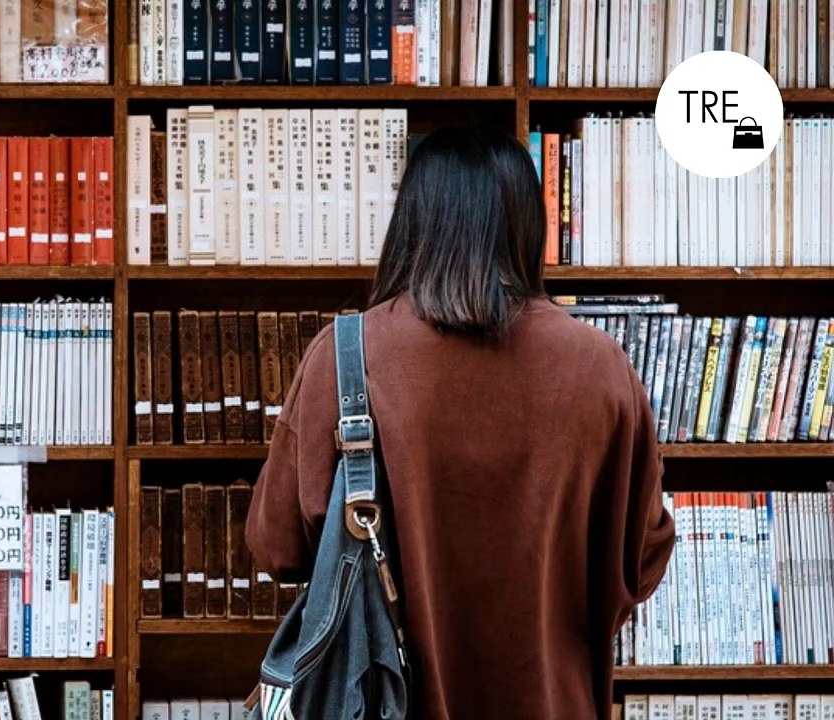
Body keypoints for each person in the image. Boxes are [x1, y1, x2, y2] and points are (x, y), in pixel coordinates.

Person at [245, 126, 675, 720]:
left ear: (413, 224)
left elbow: (277, 548)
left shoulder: (346, 356)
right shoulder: (601, 367)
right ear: (528, 225)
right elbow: (642, 559)